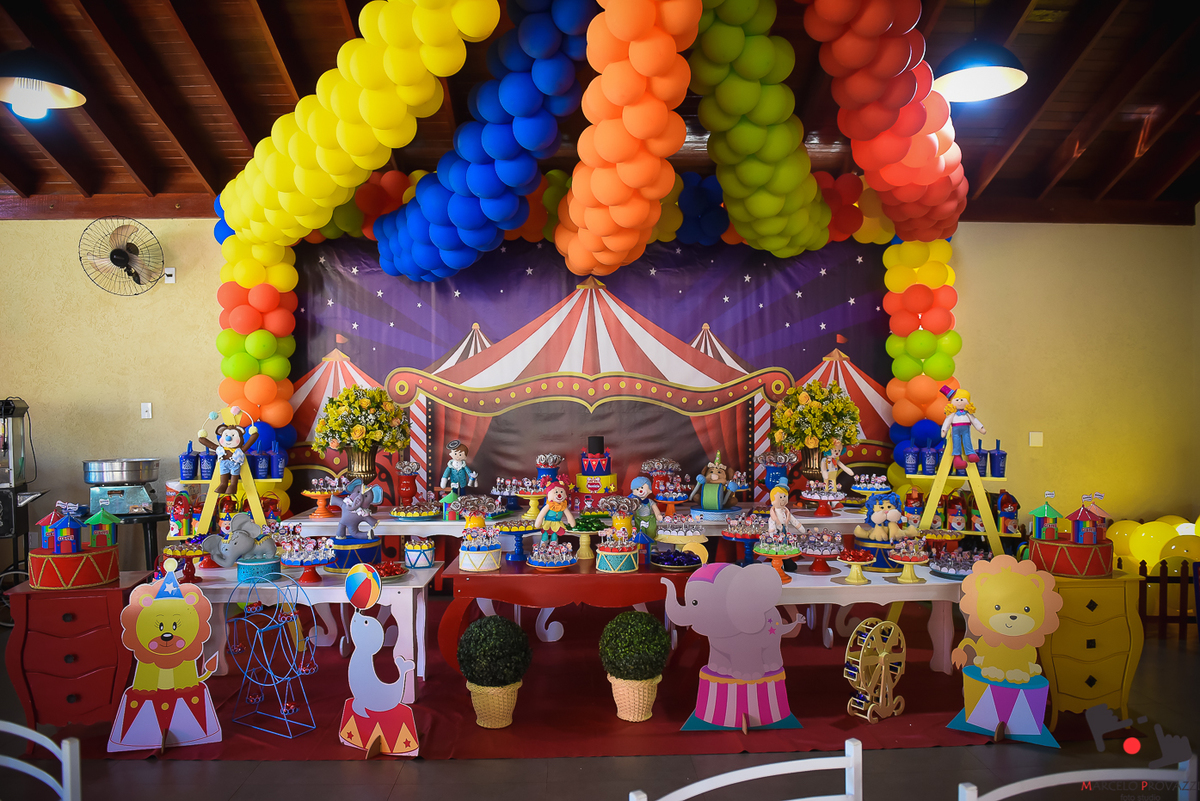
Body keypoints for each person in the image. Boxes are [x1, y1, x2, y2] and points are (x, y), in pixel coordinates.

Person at [940, 388, 987, 470]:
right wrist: (944, 430)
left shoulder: (967, 413)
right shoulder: (952, 414)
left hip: (966, 430)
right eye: (957, 400)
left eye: (962, 400)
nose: (959, 402)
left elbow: (974, 420)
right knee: (956, 442)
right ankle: (957, 458)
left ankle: (971, 454)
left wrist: (980, 428)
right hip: (955, 430)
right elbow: (947, 421)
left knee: (967, 439)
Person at [629, 476, 663, 544]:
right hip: (639, 520)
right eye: (637, 489)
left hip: (650, 520)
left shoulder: (650, 502)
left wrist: (658, 515)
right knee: (640, 535)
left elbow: (655, 509)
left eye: (642, 488)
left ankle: (652, 546)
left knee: (651, 534)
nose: (640, 491)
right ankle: (640, 546)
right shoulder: (635, 502)